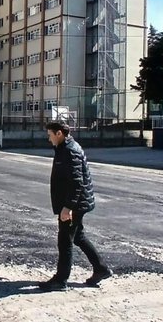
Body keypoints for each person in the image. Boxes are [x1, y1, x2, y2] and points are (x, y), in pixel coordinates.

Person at [41, 121, 111, 290]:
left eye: (50, 135)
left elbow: (77, 183)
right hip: (74, 202)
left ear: (59, 134)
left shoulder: (70, 151)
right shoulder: (64, 148)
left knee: (65, 240)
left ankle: (60, 280)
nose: (48, 139)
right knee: (78, 236)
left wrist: (68, 207)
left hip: (74, 204)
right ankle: (101, 268)